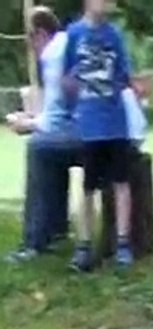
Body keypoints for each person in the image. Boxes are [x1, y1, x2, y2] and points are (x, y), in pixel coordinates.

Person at [63, 0, 136, 272]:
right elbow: (66, 77)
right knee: (88, 186)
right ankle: (84, 246)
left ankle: (123, 244)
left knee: (121, 182)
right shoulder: (74, 34)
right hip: (89, 123)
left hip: (115, 123)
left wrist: (136, 87)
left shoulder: (114, 35)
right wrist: (73, 100)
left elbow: (124, 75)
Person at [5, 6, 81, 263]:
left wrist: (27, 124)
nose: (33, 51)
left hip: (89, 135)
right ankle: (57, 231)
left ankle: (34, 241)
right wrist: (36, 120)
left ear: (39, 34)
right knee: (50, 147)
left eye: (30, 42)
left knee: (40, 148)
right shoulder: (68, 44)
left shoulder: (52, 55)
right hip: (106, 130)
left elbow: (57, 118)